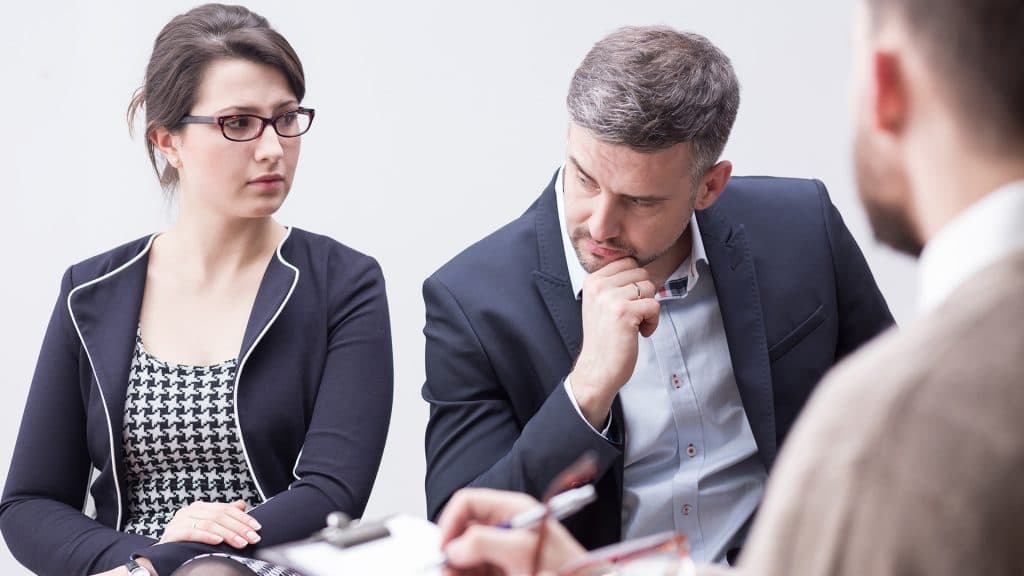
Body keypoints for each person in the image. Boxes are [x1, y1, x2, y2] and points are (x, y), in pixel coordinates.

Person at [436, 0, 1024, 574]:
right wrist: (585, 391)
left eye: (640, 201)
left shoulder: (803, 228)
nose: (600, 223)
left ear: (709, 186)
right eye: (584, 178)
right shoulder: (471, 301)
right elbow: (461, 538)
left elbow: (907, 426)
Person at [0, 5, 393, 576]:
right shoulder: (92, 292)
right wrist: (142, 557)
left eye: (285, 118)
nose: (270, 148)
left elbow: (332, 491)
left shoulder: (343, 283)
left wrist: (175, 560)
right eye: (237, 122)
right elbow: (28, 504)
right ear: (168, 141)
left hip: (272, 563)